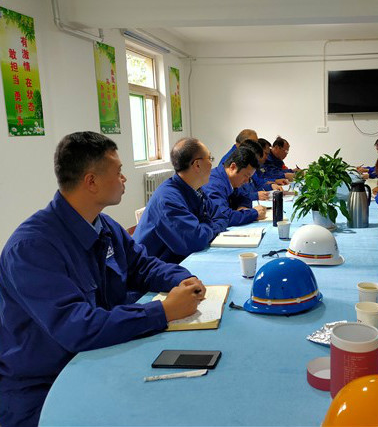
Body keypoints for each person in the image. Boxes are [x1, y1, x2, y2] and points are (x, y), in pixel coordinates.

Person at [0, 132, 207, 427]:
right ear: (91, 182)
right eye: (118, 171)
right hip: (43, 386)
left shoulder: (103, 225)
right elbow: (77, 327)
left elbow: (142, 266)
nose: (124, 178)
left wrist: (184, 279)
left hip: (99, 357)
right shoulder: (32, 248)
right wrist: (163, 311)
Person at [134, 138, 228, 263]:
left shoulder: (196, 190)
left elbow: (221, 217)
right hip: (156, 267)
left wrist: (206, 228)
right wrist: (211, 227)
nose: (212, 165)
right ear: (197, 165)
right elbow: (196, 240)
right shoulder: (168, 199)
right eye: (210, 158)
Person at [203, 147, 266, 225]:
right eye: (246, 176)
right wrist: (253, 214)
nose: (246, 181)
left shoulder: (231, 180)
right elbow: (223, 216)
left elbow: (244, 197)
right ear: (233, 167)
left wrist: (242, 207)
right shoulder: (213, 184)